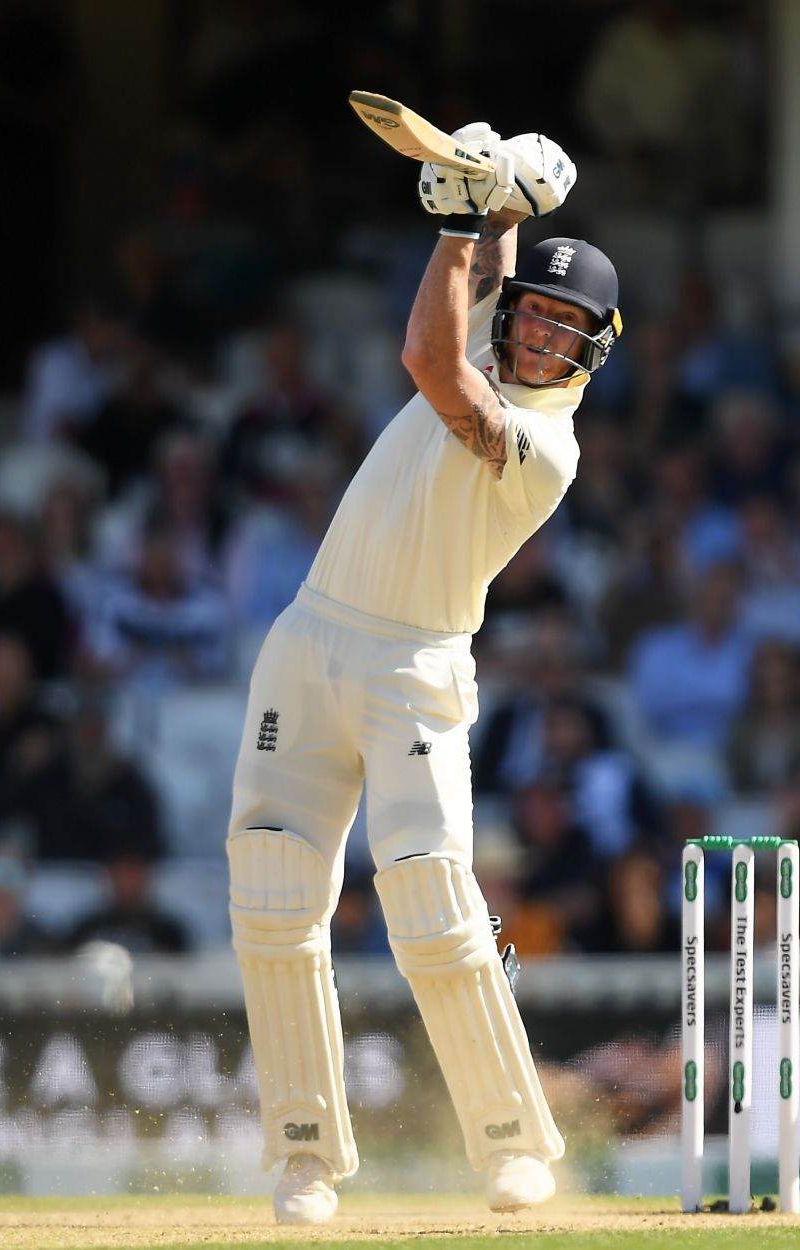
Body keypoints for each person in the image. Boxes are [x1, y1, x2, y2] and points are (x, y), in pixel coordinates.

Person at [225, 125, 608, 1224]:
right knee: (270, 889)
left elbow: (428, 361)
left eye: (566, 328)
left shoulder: (546, 446)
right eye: (535, 311)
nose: (540, 337)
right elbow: (477, 290)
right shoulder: (493, 325)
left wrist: (460, 220)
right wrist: (505, 198)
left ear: (593, 348)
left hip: (413, 664)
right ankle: (304, 1153)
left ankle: (512, 1143)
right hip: (309, 638)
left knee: (431, 893)